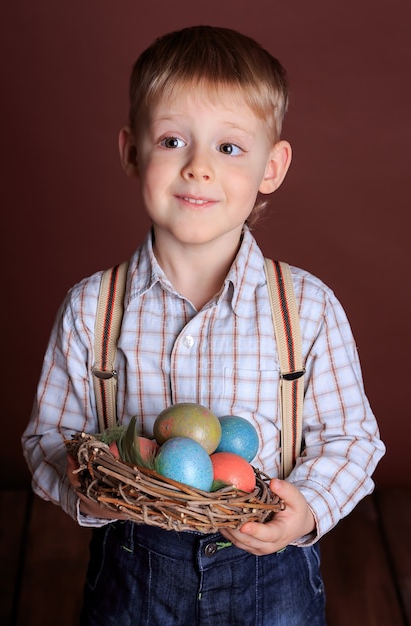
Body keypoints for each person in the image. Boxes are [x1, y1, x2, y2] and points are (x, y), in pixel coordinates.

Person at [22, 25, 385, 625]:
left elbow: (353, 440)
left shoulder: (308, 308)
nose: (197, 168)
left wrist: (308, 509)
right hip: (136, 569)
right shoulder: (92, 309)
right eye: (171, 140)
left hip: (269, 573)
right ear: (131, 151)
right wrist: (85, 486)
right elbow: (47, 441)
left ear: (273, 166)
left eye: (229, 147)